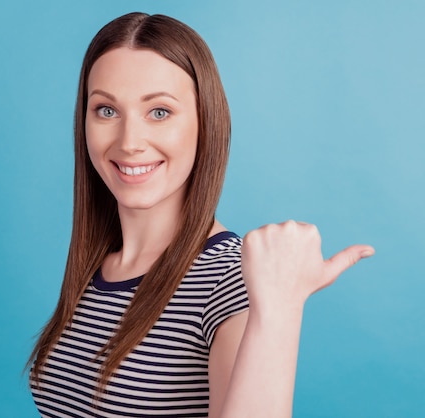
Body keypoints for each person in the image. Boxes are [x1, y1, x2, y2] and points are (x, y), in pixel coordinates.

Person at [28, 12, 374, 418]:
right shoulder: (97, 267)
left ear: (205, 123)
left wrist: (278, 310)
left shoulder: (230, 281)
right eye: (106, 110)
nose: (129, 142)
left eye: (159, 112)